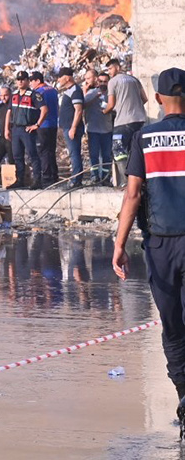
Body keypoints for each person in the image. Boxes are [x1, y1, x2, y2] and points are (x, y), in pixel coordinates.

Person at [113, 67, 185, 434]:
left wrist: (120, 243)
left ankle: (184, 395)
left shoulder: (144, 137)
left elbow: (133, 194)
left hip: (160, 245)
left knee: (173, 328)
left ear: (157, 99)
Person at [106, 58, 149, 188]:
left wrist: (104, 111)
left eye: (110, 68)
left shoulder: (113, 82)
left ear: (118, 67)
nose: (109, 72)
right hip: (140, 121)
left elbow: (111, 104)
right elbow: (145, 99)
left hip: (123, 122)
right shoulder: (134, 79)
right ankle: (139, 182)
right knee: (134, 151)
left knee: (118, 150)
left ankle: (126, 182)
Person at [6, 71, 46, 187]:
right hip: (16, 129)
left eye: (23, 79)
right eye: (18, 79)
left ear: (28, 81)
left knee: (32, 154)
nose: (20, 81)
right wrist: (7, 129)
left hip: (27, 129)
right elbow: (9, 112)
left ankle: (37, 180)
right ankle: (19, 180)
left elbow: (44, 109)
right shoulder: (14, 95)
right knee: (17, 156)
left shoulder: (34, 95)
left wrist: (37, 125)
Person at [83, 69, 114, 186]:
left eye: (105, 81)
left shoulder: (111, 95)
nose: (102, 84)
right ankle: (94, 176)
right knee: (94, 155)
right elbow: (83, 105)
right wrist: (93, 96)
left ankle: (105, 178)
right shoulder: (92, 93)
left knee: (106, 155)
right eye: (100, 81)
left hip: (107, 130)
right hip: (93, 130)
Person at [55, 67, 85, 187]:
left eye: (60, 78)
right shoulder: (68, 90)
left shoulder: (75, 91)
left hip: (72, 128)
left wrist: (73, 128)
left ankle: (76, 179)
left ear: (67, 78)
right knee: (73, 153)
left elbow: (78, 110)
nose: (58, 80)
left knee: (74, 153)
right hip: (67, 127)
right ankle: (76, 177)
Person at [32, 70, 60, 186]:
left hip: (43, 125)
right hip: (53, 124)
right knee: (51, 151)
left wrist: (36, 124)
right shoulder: (52, 90)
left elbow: (40, 109)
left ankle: (47, 178)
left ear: (38, 81)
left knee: (43, 152)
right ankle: (54, 175)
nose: (31, 84)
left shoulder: (38, 92)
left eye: (32, 81)